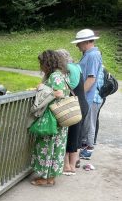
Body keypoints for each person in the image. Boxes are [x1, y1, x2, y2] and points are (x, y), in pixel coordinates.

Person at [30, 50, 70, 186]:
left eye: (42, 63)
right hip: (60, 117)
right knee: (56, 148)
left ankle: (46, 178)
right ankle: (50, 178)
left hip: (53, 118)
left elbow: (59, 93)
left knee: (48, 146)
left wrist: (42, 88)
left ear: (48, 63)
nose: (40, 66)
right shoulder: (62, 74)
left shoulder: (55, 76)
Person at [55, 49, 89, 175]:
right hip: (82, 104)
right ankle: (72, 166)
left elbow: (69, 86)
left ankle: (67, 166)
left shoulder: (67, 68)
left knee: (67, 135)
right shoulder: (77, 67)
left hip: (72, 106)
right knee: (76, 136)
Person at [71, 29, 103, 160]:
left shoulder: (92, 55)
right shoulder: (88, 54)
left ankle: (88, 149)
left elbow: (91, 79)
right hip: (88, 96)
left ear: (86, 42)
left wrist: (78, 95)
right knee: (86, 122)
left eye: (79, 43)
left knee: (89, 123)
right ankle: (84, 147)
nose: (77, 45)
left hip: (91, 97)